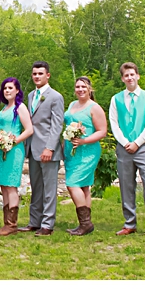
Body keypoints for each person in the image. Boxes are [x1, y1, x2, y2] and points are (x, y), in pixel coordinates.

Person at [110, 62, 145, 238]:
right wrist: (125, 143)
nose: (130, 78)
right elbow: (114, 124)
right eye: (126, 75)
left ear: (137, 76)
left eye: (132, 74)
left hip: (144, 146)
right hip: (124, 148)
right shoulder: (116, 99)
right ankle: (129, 223)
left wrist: (137, 143)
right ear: (122, 78)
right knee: (126, 186)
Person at [20, 61, 64, 236]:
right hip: (32, 147)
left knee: (49, 188)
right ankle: (34, 221)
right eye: (34, 74)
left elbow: (57, 124)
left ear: (48, 75)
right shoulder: (31, 95)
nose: (36, 76)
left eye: (40, 73)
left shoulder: (55, 97)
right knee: (36, 187)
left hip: (47, 149)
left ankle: (47, 224)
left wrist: (50, 147)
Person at [63, 76, 107, 236]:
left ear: (89, 89)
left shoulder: (94, 107)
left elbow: (102, 131)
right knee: (83, 187)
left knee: (72, 184)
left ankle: (85, 223)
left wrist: (83, 140)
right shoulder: (72, 105)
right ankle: (85, 224)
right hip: (71, 151)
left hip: (87, 150)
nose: (80, 89)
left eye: (83, 87)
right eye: (77, 87)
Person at [0, 77, 34, 236]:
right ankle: (6, 223)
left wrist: (12, 141)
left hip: (14, 150)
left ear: (17, 90)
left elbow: (29, 129)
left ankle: (12, 224)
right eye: (5, 88)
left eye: (10, 88)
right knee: (3, 184)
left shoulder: (20, 107)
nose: (7, 91)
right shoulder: (3, 108)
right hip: (1, 149)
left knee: (11, 184)